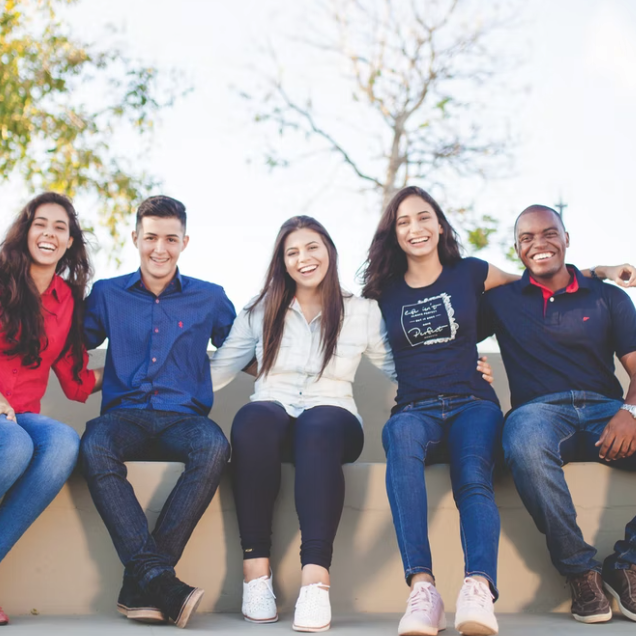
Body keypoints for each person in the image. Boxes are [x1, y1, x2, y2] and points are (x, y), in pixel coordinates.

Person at [360, 186, 633, 636]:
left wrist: (601, 271)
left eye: (424, 217)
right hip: (471, 410)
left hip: (536, 406)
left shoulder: (482, 275)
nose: (416, 228)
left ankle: (493, 585)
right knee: (435, 440)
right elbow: (419, 336)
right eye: (404, 221)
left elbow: (549, 275)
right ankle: (431, 588)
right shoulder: (399, 294)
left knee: (475, 471)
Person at [210, 215, 415, 633]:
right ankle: (256, 575)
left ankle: (315, 582)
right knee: (252, 419)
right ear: (282, 262)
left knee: (317, 427)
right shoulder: (260, 309)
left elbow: (403, 368)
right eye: (292, 252)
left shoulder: (362, 312)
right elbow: (218, 370)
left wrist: (462, 372)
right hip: (273, 416)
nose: (303, 258)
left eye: (312, 247)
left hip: (333, 419)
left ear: (329, 252)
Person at [0, 192, 100, 627]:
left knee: (63, 443)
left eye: (60, 227)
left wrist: (146, 368)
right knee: (11, 446)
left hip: (16, 414)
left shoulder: (66, 300)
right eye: (40, 223)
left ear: (69, 243)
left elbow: (76, 380)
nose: (49, 233)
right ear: (26, 230)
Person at [80, 195, 235, 629]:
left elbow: (250, 347)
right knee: (93, 446)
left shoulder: (210, 297)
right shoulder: (108, 293)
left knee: (214, 447)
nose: (160, 249)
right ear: (135, 238)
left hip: (184, 419)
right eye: (151, 238)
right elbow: (68, 342)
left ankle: (144, 583)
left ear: (185, 241)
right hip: (122, 416)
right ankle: (162, 583)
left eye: (171, 238)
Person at [481, 204, 636, 625]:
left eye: (549, 233)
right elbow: (447, 327)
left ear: (567, 239)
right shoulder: (500, 301)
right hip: (540, 413)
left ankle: (626, 564)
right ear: (517, 249)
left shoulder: (608, 296)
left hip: (606, 410)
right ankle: (580, 572)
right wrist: (470, 365)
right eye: (526, 238)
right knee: (524, 443)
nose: (539, 244)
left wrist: (630, 410)